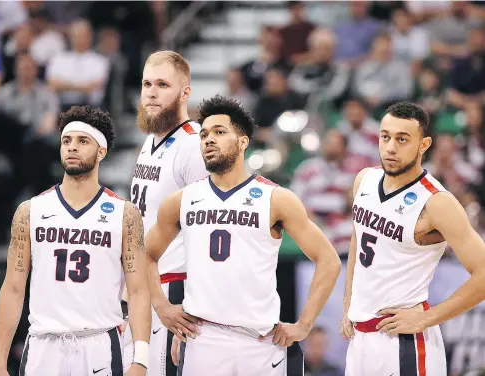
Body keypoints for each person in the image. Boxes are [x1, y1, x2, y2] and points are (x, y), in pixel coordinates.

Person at [145, 95, 341, 375]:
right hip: (203, 338)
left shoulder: (276, 198)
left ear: (243, 142)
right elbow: (146, 254)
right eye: (204, 135)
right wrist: (162, 307)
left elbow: (329, 260)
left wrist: (303, 325)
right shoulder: (180, 200)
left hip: (260, 341)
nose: (208, 140)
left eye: (219, 132)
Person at [0, 105, 151, 376]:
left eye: (82, 141)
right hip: (44, 344)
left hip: (99, 343)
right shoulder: (30, 211)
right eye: (66, 141)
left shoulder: (125, 214)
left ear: (101, 151)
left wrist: (141, 358)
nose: (72, 147)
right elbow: (13, 289)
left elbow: (138, 290)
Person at [341, 102, 485, 375]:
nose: (391, 147)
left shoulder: (437, 202)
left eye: (402, 139)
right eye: (385, 137)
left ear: (424, 144)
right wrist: (348, 300)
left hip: (404, 343)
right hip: (360, 339)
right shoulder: (365, 180)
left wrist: (428, 318)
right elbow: (359, 238)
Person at [123, 50, 208, 376]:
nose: (152, 93)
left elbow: (205, 230)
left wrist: (189, 308)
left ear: (185, 92)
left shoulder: (192, 145)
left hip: (174, 291)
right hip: (144, 287)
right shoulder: (151, 139)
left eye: (162, 84)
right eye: (147, 84)